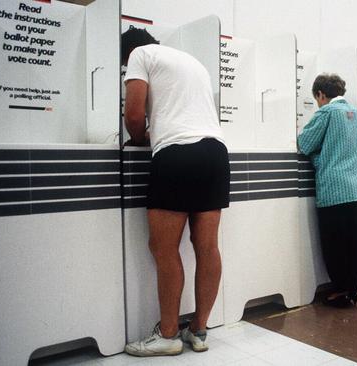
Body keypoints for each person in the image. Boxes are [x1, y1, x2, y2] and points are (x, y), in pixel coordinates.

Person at [121, 28, 230, 357]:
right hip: (215, 153)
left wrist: (139, 139)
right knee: (207, 246)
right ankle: (198, 329)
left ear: (127, 55)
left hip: (177, 154)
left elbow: (134, 115)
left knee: (163, 248)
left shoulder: (140, 56)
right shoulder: (191, 61)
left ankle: (168, 334)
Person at [298, 74, 357, 308]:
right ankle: (352, 289)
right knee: (354, 243)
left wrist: (317, 156)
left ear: (321, 94)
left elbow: (305, 143)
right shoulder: (355, 112)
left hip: (336, 189)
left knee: (335, 244)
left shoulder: (326, 113)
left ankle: (340, 290)